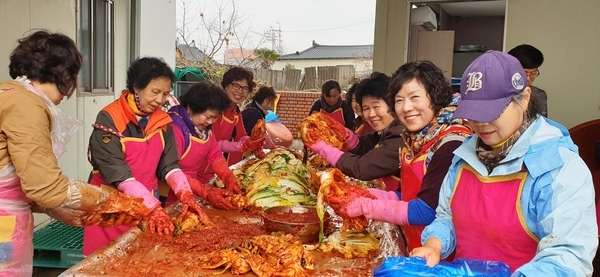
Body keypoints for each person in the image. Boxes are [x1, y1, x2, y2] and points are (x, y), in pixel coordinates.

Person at [411, 51, 597, 276]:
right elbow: (446, 217)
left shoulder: (558, 167)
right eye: (474, 113)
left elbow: (567, 257)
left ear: (525, 97)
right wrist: (434, 245)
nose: (480, 123)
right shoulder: (464, 156)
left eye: (491, 111)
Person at [0, 30, 134, 276]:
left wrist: (83, 215)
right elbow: (46, 188)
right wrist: (111, 201)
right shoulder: (24, 104)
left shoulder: (9, 93)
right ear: (63, 74)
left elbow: (30, 187)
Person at [328, 61, 472, 253]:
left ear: (435, 97)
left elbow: (427, 211)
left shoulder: (450, 143)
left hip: (443, 258)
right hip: (415, 247)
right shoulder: (415, 139)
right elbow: (403, 195)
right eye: (399, 100)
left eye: (414, 97)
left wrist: (366, 206)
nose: (406, 108)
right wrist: (361, 194)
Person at [85, 57, 207, 255]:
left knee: (142, 262)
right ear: (137, 87)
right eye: (155, 92)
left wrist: (185, 193)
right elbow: (118, 173)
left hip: (148, 206)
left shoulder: (163, 121)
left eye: (166, 94)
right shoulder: (109, 118)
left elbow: (170, 166)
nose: (160, 100)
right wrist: (153, 208)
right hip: (112, 209)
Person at [306, 72, 403, 191]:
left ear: (392, 105)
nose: (371, 114)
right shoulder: (387, 130)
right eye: (366, 108)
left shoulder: (400, 135)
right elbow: (365, 144)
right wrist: (345, 135)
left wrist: (323, 149)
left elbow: (361, 168)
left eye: (376, 107)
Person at [162, 81, 240, 209]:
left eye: (214, 117)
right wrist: (204, 191)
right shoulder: (175, 128)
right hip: (172, 192)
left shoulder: (205, 127)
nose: (210, 121)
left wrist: (228, 177)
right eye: (207, 116)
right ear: (191, 108)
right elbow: (172, 172)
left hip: (192, 188)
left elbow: (214, 154)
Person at [196, 67, 266, 184]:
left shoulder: (235, 111)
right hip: (199, 168)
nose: (240, 91)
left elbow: (241, 135)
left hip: (214, 169)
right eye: (236, 85)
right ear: (226, 85)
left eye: (245, 88)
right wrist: (242, 146)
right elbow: (214, 143)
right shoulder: (215, 109)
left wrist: (253, 141)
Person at [508, 44, 548, 117]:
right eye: (524, 73)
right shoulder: (498, 95)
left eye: (533, 73)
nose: (528, 79)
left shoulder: (539, 95)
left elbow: (542, 124)